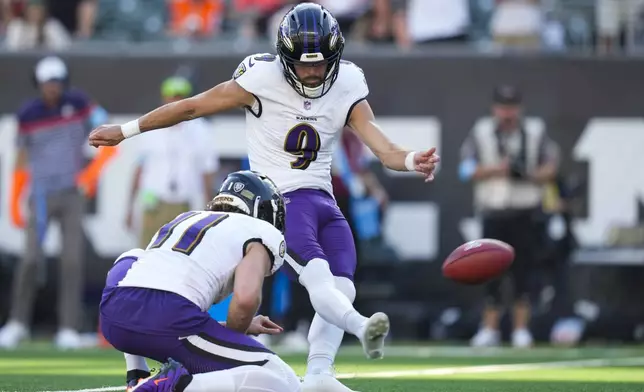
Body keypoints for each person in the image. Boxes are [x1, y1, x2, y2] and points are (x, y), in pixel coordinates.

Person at [89, 3, 439, 391]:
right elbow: (191, 107)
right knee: (318, 277)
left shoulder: (348, 83)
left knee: (344, 285)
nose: (311, 72)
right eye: (303, 64)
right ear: (284, 57)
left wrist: (410, 159)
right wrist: (126, 130)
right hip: (280, 200)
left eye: (320, 63)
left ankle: (321, 372)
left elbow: (381, 147)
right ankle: (361, 326)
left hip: (323, 197)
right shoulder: (260, 77)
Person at [102, 170, 301, 392]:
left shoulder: (184, 219)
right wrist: (232, 341)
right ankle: (173, 386)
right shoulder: (261, 231)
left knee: (134, 255)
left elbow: (150, 291)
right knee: (283, 380)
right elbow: (245, 299)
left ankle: (136, 372)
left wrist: (221, 331)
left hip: (113, 316)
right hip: (169, 317)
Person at [0, 55, 114, 350]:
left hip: (71, 194)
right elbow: (22, 158)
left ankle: (68, 327)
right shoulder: (28, 113)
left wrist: (92, 174)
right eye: (47, 82)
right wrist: (14, 199)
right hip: (39, 194)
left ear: (64, 82)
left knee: (73, 261)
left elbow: (108, 136)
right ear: (38, 84)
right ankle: (17, 323)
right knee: (30, 260)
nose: (52, 87)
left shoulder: (79, 103)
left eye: (57, 82)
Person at [459, 85, 559, 348]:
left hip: (525, 210)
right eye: (503, 107)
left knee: (523, 272)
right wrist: (495, 170)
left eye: (512, 107)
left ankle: (520, 329)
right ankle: (489, 328)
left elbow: (551, 165)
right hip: (493, 209)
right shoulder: (481, 132)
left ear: (520, 108)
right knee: (489, 271)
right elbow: (465, 169)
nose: (507, 113)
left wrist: (528, 174)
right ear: (494, 108)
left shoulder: (534, 131)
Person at [126, 76, 219, 248]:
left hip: (183, 205)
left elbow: (207, 172)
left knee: (179, 255)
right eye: (172, 97)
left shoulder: (201, 130)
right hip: (153, 203)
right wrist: (130, 208)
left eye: (180, 97)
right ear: (164, 98)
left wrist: (210, 210)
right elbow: (139, 169)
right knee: (147, 254)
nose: (176, 102)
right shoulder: (149, 127)